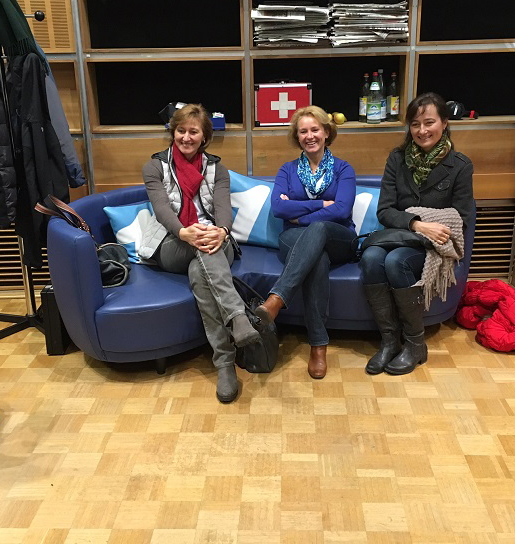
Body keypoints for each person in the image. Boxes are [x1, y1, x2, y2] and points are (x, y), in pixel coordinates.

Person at [140, 103, 261, 403]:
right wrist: (184, 232)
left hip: (212, 243)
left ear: (204, 136)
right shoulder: (155, 167)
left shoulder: (217, 169)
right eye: (181, 130)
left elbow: (223, 209)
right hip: (173, 243)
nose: (186, 137)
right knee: (201, 247)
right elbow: (162, 209)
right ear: (173, 132)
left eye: (193, 132)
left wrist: (222, 231)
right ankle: (237, 318)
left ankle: (224, 364)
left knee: (201, 269)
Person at [360, 92, 474, 376]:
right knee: (371, 257)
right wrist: (418, 223)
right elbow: (385, 211)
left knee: (395, 261)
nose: (422, 130)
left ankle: (414, 344)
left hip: (435, 244)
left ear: (444, 123)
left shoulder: (460, 165)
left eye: (429, 122)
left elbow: (461, 218)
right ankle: (389, 342)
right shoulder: (397, 158)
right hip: (402, 234)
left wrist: (430, 229)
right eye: (415, 124)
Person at [254, 106, 357, 379]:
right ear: (297, 136)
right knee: (317, 258)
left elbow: (343, 210)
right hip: (295, 238)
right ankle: (318, 346)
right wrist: (321, 204)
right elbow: (279, 208)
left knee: (320, 228)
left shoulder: (343, 169)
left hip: (339, 237)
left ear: (326, 132)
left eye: (315, 130)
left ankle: (276, 300)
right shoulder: (287, 170)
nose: (309, 136)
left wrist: (299, 214)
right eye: (303, 131)